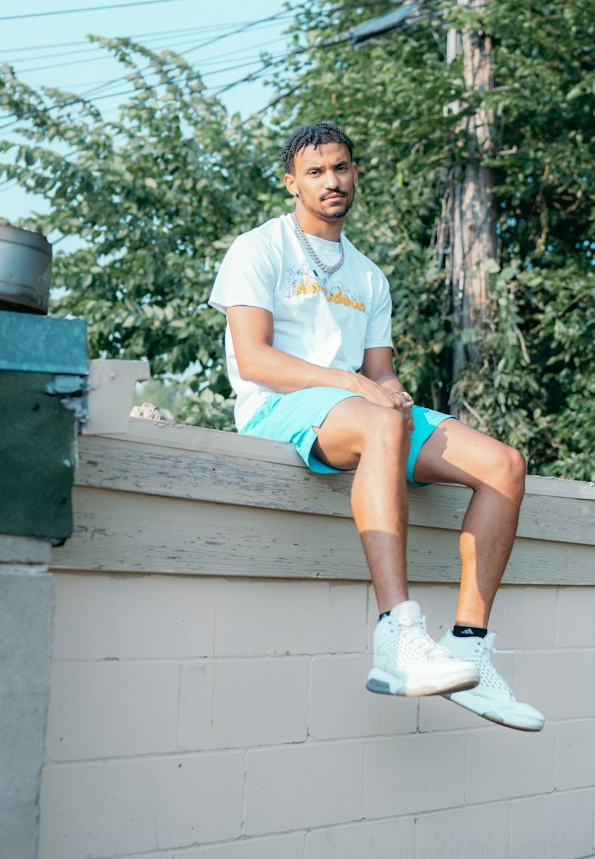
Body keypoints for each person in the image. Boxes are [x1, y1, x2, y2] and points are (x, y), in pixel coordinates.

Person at [208, 122, 544, 732]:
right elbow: (255, 359)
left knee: (503, 465)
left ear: (355, 174)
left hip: (356, 411)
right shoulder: (259, 248)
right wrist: (360, 389)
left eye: (340, 168)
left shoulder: (368, 275)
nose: (330, 182)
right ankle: (398, 634)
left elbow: (379, 373)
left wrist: (388, 391)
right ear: (292, 183)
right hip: (278, 409)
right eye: (315, 172)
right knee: (380, 427)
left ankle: (468, 642)